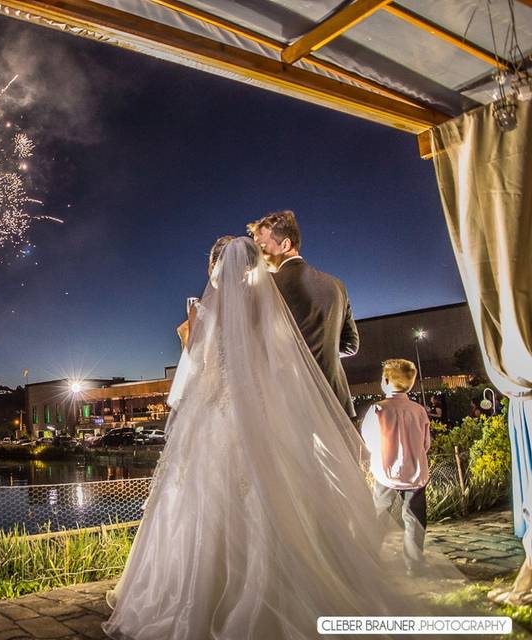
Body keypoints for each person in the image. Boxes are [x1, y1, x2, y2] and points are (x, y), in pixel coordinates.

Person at [104, 237, 429, 640]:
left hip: (215, 414)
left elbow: (194, 373)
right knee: (270, 495)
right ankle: (280, 584)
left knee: (200, 497)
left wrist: (188, 338)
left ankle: (198, 591)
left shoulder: (203, 311)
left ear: (213, 269)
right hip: (259, 410)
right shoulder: (267, 306)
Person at [248, 211, 359, 419]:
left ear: (285, 244)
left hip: (291, 408)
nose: (258, 254)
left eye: (262, 246)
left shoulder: (265, 286)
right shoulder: (337, 285)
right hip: (337, 403)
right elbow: (350, 346)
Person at [361, 359, 431, 574]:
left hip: (385, 471)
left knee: (379, 514)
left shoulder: (378, 409)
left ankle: (371, 559)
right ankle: (414, 564)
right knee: (414, 518)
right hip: (415, 472)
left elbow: (369, 439)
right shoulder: (418, 410)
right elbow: (426, 443)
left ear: (386, 380)